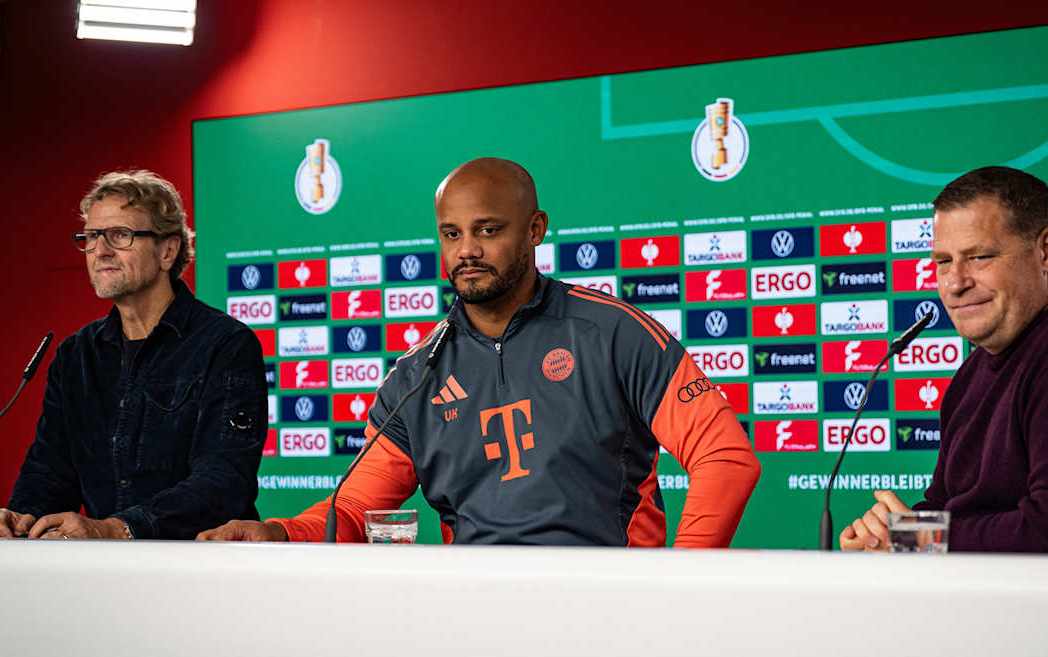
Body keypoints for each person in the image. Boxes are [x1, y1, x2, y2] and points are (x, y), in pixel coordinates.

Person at [199, 157, 759, 546]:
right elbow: (354, 509)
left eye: (488, 230)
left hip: (607, 607)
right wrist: (277, 532)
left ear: (536, 229)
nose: (467, 250)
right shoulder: (416, 375)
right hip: (472, 613)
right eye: (451, 233)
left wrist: (681, 584)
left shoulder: (613, 332)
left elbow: (725, 459)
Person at [840, 166, 1048, 554]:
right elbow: (946, 509)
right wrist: (885, 536)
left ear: (1047, 250)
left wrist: (917, 539)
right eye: (943, 262)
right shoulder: (974, 369)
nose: (955, 282)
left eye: (979, 256)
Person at [0, 170, 267, 539]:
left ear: (168, 251)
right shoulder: (75, 355)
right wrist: (23, 516)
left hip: (201, 570)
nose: (100, 251)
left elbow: (222, 481)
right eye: (91, 237)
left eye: (120, 235)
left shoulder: (226, 344)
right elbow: (50, 471)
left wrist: (119, 528)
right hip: (103, 575)